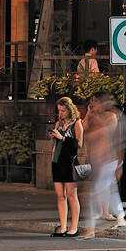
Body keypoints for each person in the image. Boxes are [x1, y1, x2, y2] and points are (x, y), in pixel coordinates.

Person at [80, 93, 124, 238]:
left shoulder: (111, 117)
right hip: (97, 160)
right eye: (91, 102)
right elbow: (83, 130)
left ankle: (91, 228)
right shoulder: (92, 117)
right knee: (112, 191)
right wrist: (88, 114)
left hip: (108, 160)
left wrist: (95, 117)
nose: (93, 105)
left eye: (95, 102)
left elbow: (102, 133)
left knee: (95, 194)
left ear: (103, 104)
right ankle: (121, 217)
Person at [49, 97, 84, 237]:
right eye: (59, 111)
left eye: (63, 110)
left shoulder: (77, 124)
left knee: (71, 195)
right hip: (56, 160)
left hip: (69, 162)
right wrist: (53, 137)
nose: (61, 113)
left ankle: (74, 227)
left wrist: (63, 138)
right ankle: (63, 226)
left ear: (70, 110)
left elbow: (79, 144)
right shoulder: (58, 123)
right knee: (60, 195)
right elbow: (53, 146)